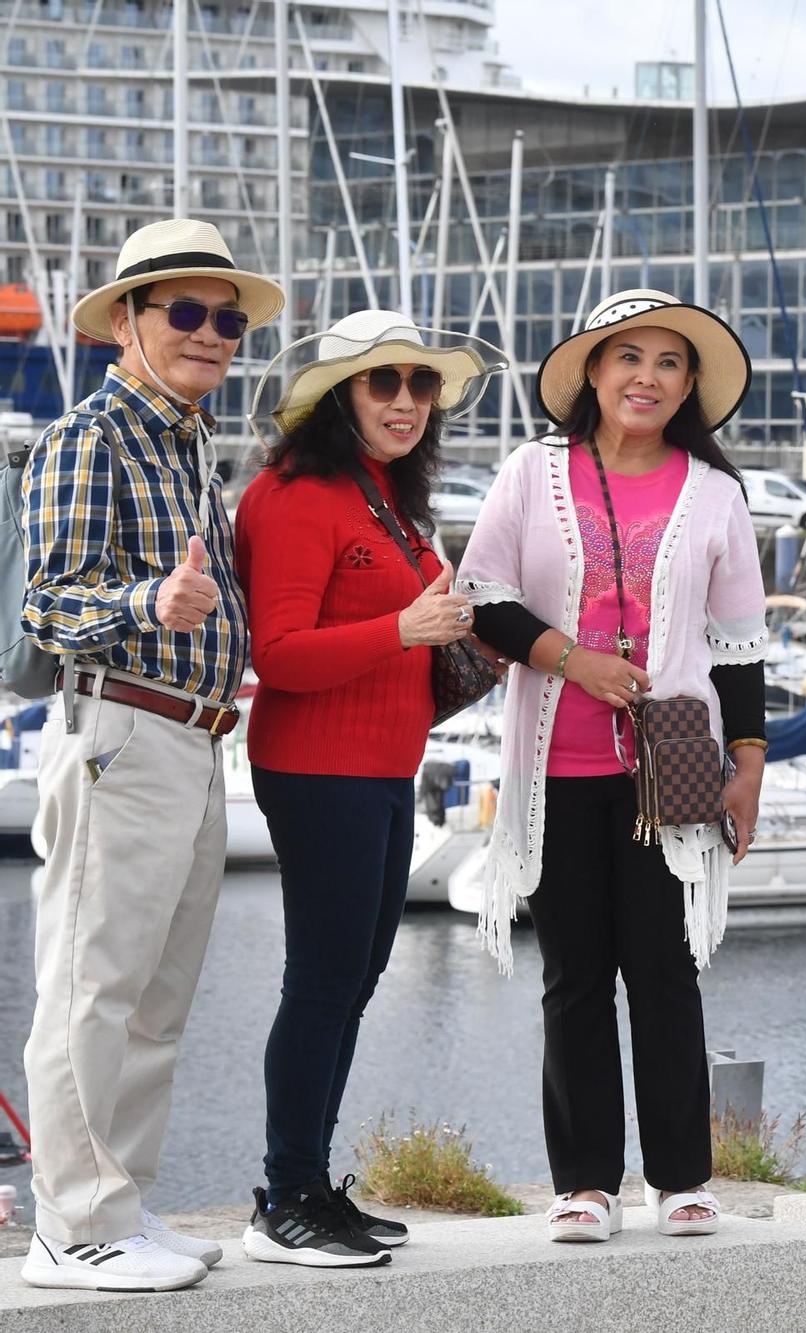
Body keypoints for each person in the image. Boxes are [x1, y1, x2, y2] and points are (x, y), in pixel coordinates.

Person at [458, 289, 767, 1243]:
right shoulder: (530, 471)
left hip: (669, 770)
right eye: (627, 357)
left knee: (666, 974)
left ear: (689, 386)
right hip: (557, 767)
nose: (647, 376)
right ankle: (584, 1181)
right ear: (590, 372)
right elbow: (483, 597)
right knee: (576, 977)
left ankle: (680, 1178)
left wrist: (748, 766)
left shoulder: (716, 493)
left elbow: (741, 646)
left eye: (669, 362)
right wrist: (572, 659)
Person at [17, 219, 283, 1292]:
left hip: (188, 737)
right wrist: (151, 599)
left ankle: (117, 1205)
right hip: (121, 731)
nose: (211, 332)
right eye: (185, 310)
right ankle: (70, 1226)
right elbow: (47, 603)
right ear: (125, 321)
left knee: (155, 996)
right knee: (94, 983)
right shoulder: (89, 436)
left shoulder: (184, 440)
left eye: (226, 318)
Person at [233, 312, 504, 1266]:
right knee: (321, 983)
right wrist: (405, 630)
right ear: (339, 394)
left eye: (420, 386)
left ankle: (307, 1183)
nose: (405, 402)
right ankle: (285, 1196)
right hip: (317, 768)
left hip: (385, 770)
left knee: (353, 980)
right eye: (383, 382)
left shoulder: (381, 494)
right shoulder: (298, 495)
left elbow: (416, 635)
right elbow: (279, 654)